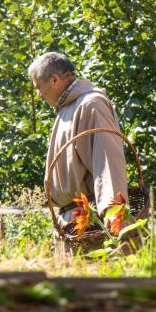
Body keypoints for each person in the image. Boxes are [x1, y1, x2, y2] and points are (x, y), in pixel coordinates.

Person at [29, 52, 128, 231]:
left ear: (54, 80)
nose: (38, 95)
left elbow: (107, 161)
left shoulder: (91, 105)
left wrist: (114, 214)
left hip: (93, 224)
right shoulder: (67, 106)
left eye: (38, 87)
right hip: (72, 223)